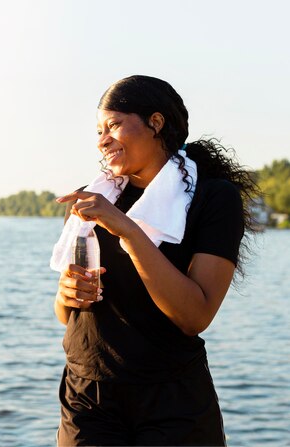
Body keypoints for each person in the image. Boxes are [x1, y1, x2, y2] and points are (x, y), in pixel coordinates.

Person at [52, 75, 259, 446]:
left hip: (172, 402)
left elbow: (195, 316)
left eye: (113, 125)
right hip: (87, 399)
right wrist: (67, 294)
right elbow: (66, 315)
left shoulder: (213, 199)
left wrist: (129, 231)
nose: (102, 140)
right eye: (99, 130)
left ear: (156, 122)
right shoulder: (91, 200)